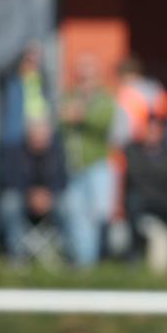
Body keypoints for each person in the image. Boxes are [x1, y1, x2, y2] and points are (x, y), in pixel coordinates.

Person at [58, 53, 116, 268]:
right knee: (74, 211)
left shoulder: (104, 99)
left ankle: (99, 258)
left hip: (97, 163)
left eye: (89, 73)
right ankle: (84, 262)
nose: (85, 78)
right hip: (74, 163)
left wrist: (81, 114)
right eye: (82, 73)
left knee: (98, 213)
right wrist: (76, 113)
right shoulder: (69, 95)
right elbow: (62, 120)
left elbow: (102, 122)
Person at [123, 114, 167, 269]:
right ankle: (133, 255)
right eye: (149, 130)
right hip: (141, 196)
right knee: (133, 205)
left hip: (163, 197)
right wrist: (156, 177)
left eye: (155, 130)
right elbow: (136, 176)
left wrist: (155, 177)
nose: (152, 134)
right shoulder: (133, 150)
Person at [0, 117, 66, 263]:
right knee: (9, 203)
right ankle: (16, 255)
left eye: (43, 133)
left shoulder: (57, 152)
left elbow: (62, 179)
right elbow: (9, 179)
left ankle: (72, 254)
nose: (39, 138)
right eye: (35, 133)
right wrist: (30, 195)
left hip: (50, 198)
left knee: (71, 204)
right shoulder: (14, 151)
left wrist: (49, 195)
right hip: (23, 197)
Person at [111, 55, 167, 147]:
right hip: (121, 143)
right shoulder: (118, 91)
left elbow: (165, 111)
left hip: (142, 142)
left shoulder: (149, 89)